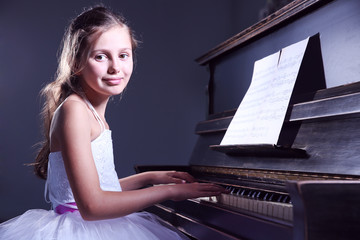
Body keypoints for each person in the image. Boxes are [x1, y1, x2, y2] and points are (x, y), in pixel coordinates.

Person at [0, 6, 226, 240]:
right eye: (101, 56)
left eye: (123, 55)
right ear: (76, 62)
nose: (115, 67)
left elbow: (98, 187)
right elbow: (92, 206)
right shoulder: (74, 110)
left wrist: (147, 178)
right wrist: (168, 191)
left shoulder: (91, 112)